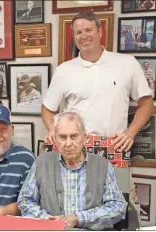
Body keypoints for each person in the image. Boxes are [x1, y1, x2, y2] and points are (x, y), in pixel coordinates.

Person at [41, 11, 153, 228]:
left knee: (121, 209)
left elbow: (146, 103)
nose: (84, 36)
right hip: (76, 150)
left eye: (88, 30)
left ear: (100, 31)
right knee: (76, 208)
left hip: (113, 148)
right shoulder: (65, 70)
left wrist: (130, 133)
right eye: (78, 32)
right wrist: (54, 132)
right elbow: (47, 109)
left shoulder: (126, 63)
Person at [18, 112, 128, 230]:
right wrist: (46, 220)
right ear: (55, 139)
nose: (68, 143)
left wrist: (79, 218)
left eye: (74, 136)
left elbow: (118, 207)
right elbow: (24, 201)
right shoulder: (40, 163)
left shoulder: (103, 165)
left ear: (84, 137)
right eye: (62, 137)